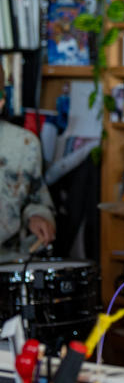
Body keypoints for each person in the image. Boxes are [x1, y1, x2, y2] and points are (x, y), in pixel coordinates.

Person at [0, 67, 56, 262]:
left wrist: (37, 216)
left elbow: (35, 200)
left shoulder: (24, 144)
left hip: (8, 262)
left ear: (2, 100)